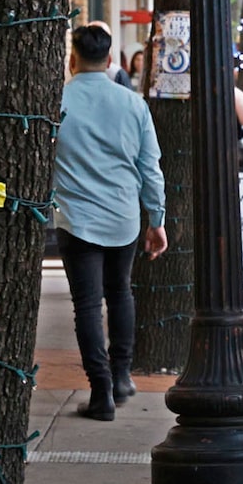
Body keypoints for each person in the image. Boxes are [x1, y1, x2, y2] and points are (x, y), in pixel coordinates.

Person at [55, 22, 169, 420]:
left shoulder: (58, 102)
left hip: (76, 219)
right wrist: (157, 219)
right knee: (120, 292)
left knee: (86, 305)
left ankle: (100, 390)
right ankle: (122, 375)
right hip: (123, 217)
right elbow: (150, 167)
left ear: (72, 59)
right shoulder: (133, 104)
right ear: (109, 61)